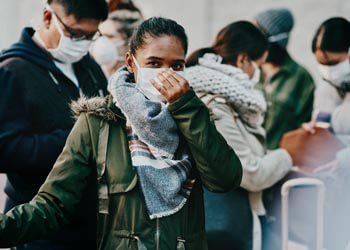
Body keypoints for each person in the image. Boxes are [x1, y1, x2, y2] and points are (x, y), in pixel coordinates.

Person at [0, 17, 243, 250]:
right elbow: (54, 204)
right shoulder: (99, 122)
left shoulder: (194, 117)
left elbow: (225, 180)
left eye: (176, 66)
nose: (165, 75)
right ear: (130, 63)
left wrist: (188, 108)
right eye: (154, 63)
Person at [0, 0, 109, 249]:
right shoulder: (11, 71)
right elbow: (5, 150)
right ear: (48, 17)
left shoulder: (89, 67)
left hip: (93, 223)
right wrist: (77, 141)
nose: (82, 43)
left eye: (91, 36)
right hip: (39, 226)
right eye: (75, 34)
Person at [186, 21, 292, 250]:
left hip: (233, 219)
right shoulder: (216, 104)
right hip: (226, 222)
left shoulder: (229, 100)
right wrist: (286, 156)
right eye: (259, 65)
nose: (259, 74)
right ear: (243, 59)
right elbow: (249, 172)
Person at [254, 8, 315, 149]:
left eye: (256, 35)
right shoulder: (247, 71)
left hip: (284, 164)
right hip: (248, 164)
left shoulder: (301, 78)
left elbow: (304, 129)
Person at [303, 17, 350, 146]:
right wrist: (313, 130)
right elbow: (321, 124)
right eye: (322, 65)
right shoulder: (325, 88)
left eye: (334, 63)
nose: (329, 71)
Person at [92, 0, 143, 77]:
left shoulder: (140, 80)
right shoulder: (93, 77)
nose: (102, 42)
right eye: (100, 35)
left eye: (110, 36)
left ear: (130, 42)